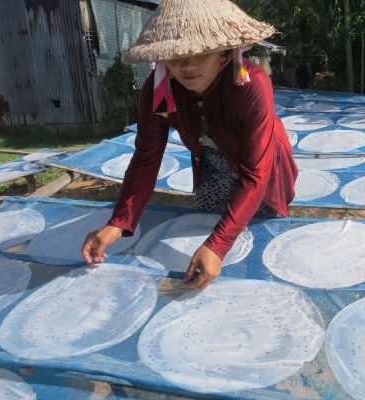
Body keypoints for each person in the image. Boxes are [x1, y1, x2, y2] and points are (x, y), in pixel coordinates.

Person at [81, 0, 298, 289]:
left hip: (260, 166)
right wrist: (119, 221)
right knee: (206, 232)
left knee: (253, 239)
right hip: (212, 165)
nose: (187, 65)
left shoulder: (249, 85)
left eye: (200, 53)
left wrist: (218, 246)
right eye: (175, 55)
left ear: (224, 50)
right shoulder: (160, 90)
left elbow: (256, 175)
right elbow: (146, 158)